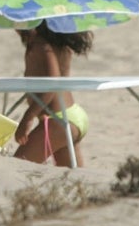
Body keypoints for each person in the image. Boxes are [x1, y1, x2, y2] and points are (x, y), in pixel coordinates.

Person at [13, 23, 93, 167]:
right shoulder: (59, 45)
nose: (14, 27)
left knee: (16, 168)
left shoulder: (41, 46)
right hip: (71, 115)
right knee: (73, 180)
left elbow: (53, 83)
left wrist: (27, 118)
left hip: (58, 120)